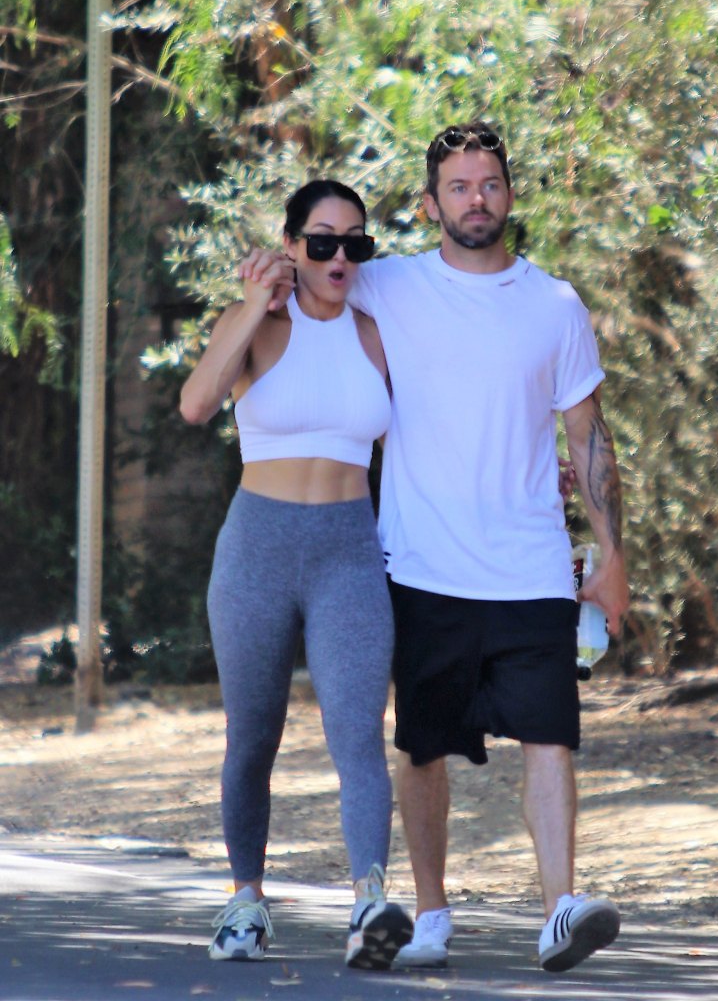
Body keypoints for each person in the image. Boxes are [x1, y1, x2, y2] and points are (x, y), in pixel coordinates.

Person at [241, 120, 630, 974]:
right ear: (430, 204)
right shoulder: (389, 285)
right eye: (458, 186)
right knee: (421, 749)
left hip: (531, 564)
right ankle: (430, 914)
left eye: (489, 183)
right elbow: (315, 269)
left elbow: (587, 433)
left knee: (550, 738)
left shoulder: (555, 304)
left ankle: (560, 910)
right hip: (420, 566)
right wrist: (261, 281)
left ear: (510, 194)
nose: (475, 199)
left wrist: (611, 555)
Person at [179, 179, 412, 970]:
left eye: (355, 243)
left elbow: (426, 447)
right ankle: (246, 901)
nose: (339, 256)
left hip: (349, 550)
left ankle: (369, 905)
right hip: (258, 548)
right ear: (291, 246)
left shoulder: (376, 336)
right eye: (321, 241)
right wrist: (252, 304)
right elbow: (196, 405)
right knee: (252, 737)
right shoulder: (254, 326)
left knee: (359, 733)